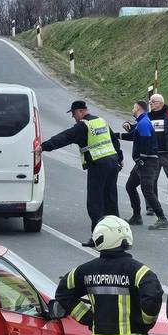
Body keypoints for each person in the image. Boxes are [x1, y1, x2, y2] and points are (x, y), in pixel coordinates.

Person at [40, 100, 123, 246]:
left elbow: (65, 137)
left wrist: (44, 146)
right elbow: (114, 141)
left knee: (95, 203)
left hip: (98, 164)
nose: (73, 117)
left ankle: (98, 238)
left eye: (73, 114)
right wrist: (119, 158)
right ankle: (117, 236)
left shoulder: (83, 126)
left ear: (80, 111)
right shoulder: (101, 121)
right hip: (112, 163)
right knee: (110, 200)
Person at [120, 100, 168, 230]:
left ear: (138, 108)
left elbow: (146, 141)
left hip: (147, 162)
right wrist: (116, 135)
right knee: (130, 186)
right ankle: (136, 216)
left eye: (133, 107)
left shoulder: (144, 123)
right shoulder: (142, 122)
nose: (132, 110)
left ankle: (162, 218)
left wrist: (141, 159)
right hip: (143, 161)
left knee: (147, 190)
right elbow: (134, 136)